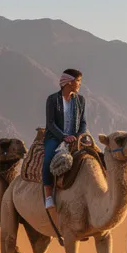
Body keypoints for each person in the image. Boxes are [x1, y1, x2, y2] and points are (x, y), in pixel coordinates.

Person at [41, 68, 87, 210]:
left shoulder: (80, 100)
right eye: (78, 81)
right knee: (48, 159)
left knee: (96, 157)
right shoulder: (53, 99)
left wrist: (79, 136)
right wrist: (64, 137)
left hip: (75, 138)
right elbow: (50, 123)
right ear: (69, 82)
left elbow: (83, 122)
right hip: (56, 137)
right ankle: (48, 195)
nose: (80, 84)